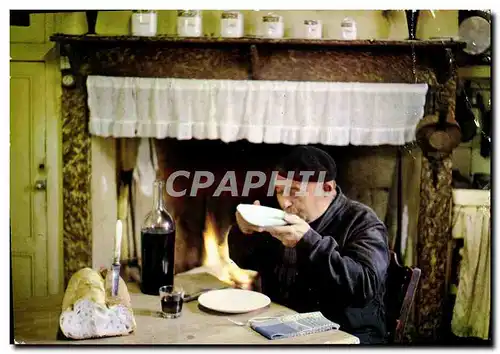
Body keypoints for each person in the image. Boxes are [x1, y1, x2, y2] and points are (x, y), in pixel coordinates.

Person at [227, 146, 390, 344]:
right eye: (280, 191)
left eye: (295, 192)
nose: (285, 203)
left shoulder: (362, 221)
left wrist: (307, 242)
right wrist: (244, 231)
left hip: (346, 336)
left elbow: (364, 286)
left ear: (327, 188)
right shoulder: (283, 212)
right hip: (283, 329)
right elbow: (245, 261)